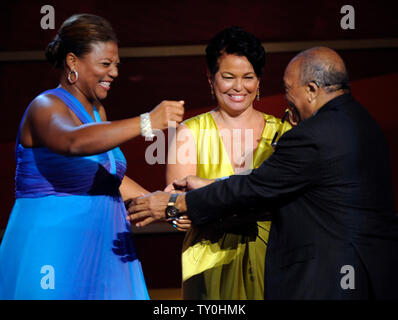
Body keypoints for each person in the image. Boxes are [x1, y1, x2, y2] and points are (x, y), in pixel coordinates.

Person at [128, 47, 398, 299]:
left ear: (312, 90)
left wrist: (178, 203)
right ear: (211, 80)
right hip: (369, 269)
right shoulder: (362, 122)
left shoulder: (312, 135)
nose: (286, 99)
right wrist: (206, 188)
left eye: (288, 89)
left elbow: (258, 189)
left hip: (331, 275)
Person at [0, 14, 184, 300]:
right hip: (54, 245)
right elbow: (72, 142)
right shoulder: (45, 106)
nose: (114, 72)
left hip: (102, 244)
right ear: (73, 62)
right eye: (105, 64)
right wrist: (147, 121)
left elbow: (107, 178)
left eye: (116, 65)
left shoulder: (97, 113)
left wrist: (163, 204)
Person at [166, 26, 291, 300]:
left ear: (258, 81)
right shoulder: (189, 132)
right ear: (210, 79)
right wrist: (177, 216)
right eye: (228, 77)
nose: (238, 87)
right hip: (209, 263)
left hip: (273, 259)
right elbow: (176, 203)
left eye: (248, 77)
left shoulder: (284, 133)